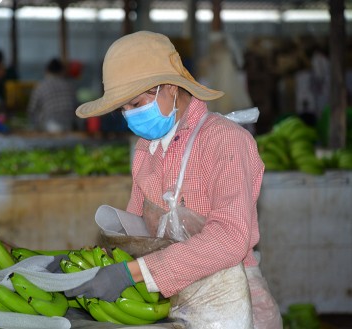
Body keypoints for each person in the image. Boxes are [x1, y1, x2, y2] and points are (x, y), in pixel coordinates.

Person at [63, 31, 282, 328]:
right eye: (123, 109)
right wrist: (93, 262)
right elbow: (138, 234)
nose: (130, 116)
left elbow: (230, 238)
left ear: (168, 87)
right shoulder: (145, 150)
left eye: (136, 103)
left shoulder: (226, 142)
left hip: (231, 305)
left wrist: (132, 273)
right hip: (172, 303)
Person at [26, 58, 78, 133]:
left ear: (47, 71)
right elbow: (77, 108)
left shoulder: (41, 86)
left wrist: (35, 126)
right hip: (69, 124)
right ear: (62, 71)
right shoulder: (70, 85)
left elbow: (31, 110)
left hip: (50, 125)